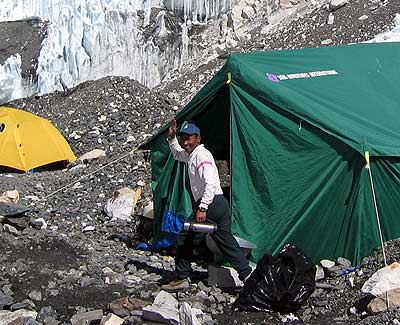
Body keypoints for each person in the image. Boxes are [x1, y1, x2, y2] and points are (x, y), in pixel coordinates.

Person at [161, 118, 252, 292]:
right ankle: (247, 276)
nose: (185, 142)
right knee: (227, 242)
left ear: (198, 139)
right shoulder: (192, 155)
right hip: (219, 204)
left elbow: (209, 183)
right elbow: (177, 154)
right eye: (183, 138)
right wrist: (172, 138)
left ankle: (182, 278)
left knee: (184, 238)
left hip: (209, 204)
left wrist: (202, 208)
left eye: (189, 138)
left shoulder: (201, 155)